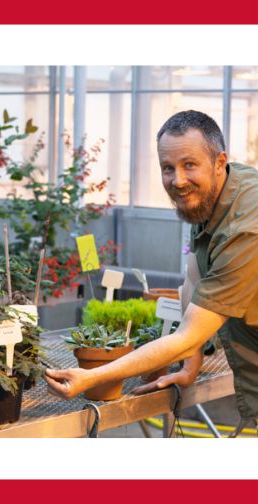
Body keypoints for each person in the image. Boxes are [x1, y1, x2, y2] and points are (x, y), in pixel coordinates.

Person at [45, 110, 258, 427]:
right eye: (167, 168)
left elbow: (187, 334)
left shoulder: (246, 230)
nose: (178, 180)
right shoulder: (214, 193)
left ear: (218, 161)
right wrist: (191, 362)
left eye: (189, 165)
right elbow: (192, 278)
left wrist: (93, 376)